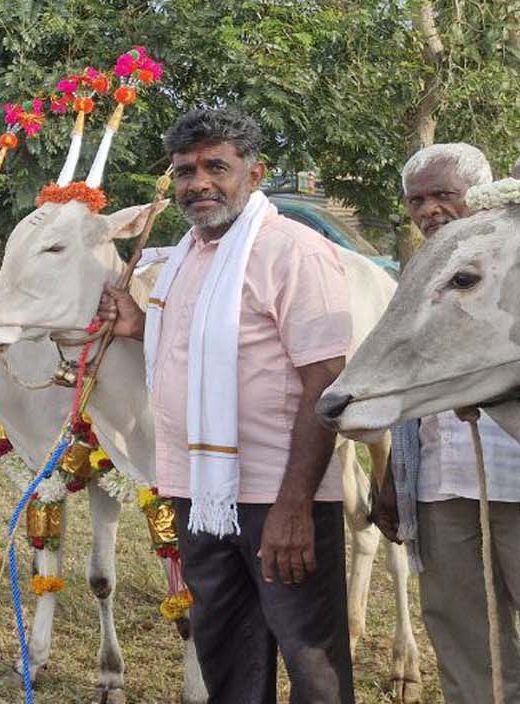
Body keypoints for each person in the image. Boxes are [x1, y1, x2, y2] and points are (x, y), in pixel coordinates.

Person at [99, 108, 355, 702]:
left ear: (255, 173)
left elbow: (325, 380)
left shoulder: (295, 251)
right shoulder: (185, 256)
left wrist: (295, 505)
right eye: (185, 171)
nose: (199, 183)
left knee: (310, 656)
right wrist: (140, 324)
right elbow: (197, 345)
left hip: (278, 497)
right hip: (200, 494)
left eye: (217, 166)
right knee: (227, 654)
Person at [376, 143, 520, 702]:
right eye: (418, 200)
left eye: (444, 195)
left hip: (513, 478)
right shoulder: (421, 271)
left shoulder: (511, 259)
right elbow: (400, 373)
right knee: (461, 630)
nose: (429, 209)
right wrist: (395, 479)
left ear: (480, 195)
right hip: (441, 486)